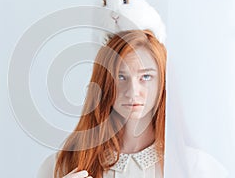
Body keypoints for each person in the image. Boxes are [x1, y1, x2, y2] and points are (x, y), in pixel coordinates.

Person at [37, 30, 167, 178]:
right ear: (104, 83)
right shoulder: (61, 164)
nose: (132, 92)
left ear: (163, 82)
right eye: (120, 76)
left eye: (146, 76)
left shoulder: (188, 164)